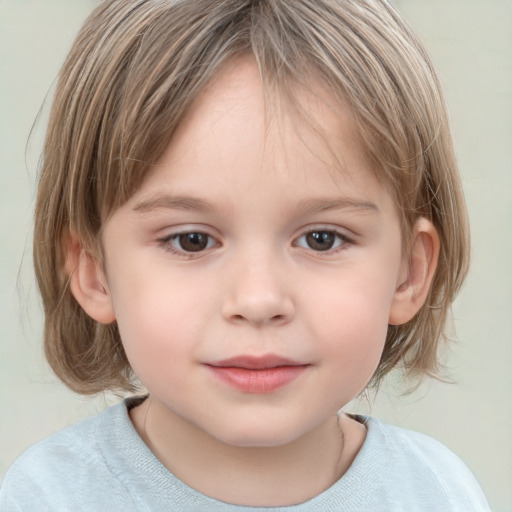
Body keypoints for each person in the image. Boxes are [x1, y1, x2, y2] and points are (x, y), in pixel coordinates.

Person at [0, 0, 491, 510]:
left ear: (408, 273)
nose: (258, 300)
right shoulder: (47, 497)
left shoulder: (437, 493)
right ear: (95, 272)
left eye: (322, 238)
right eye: (191, 240)